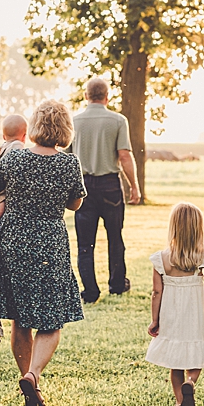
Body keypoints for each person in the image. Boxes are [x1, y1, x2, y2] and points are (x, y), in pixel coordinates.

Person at [0, 99, 87, 406]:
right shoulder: (69, 163)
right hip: (50, 242)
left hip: (13, 239)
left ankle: (26, 378)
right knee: (52, 319)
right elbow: (75, 204)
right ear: (65, 129)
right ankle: (33, 375)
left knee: (20, 319)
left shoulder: (15, 160)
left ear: (35, 127)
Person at [146, 203, 204, 406]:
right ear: (197, 229)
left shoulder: (162, 259)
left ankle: (179, 402)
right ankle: (191, 382)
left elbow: (156, 293)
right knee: (196, 358)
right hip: (195, 318)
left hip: (171, 317)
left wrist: (154, 320)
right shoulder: (202, 257)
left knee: (175, 363)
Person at [70, 77, 141, 303]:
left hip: (83, 187)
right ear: (107, 96)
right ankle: (117, 285)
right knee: (115, 237)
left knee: (85, 243)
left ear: (86, 95)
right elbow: (124, 156)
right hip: (110, 185)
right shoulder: (118, 120)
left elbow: (67, 158)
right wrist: (134, 186)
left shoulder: (74, 121)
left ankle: (90, 291)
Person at [0, 115, 28, 241]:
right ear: (24, 136)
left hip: (4, 185)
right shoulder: (17, 146)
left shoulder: (5, 146)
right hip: (1, 189)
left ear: (4, 136)